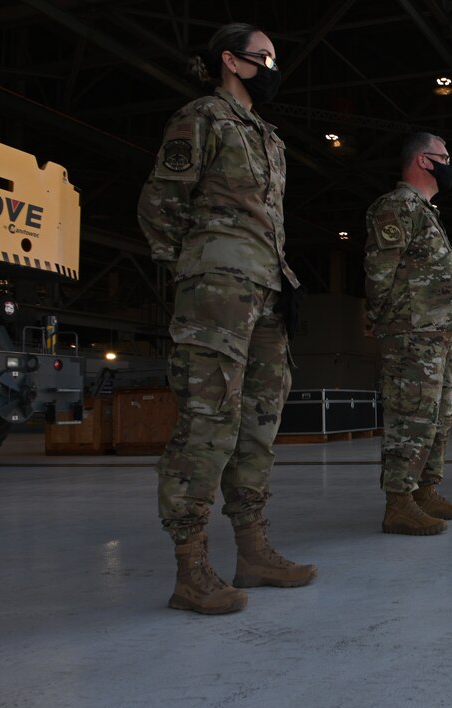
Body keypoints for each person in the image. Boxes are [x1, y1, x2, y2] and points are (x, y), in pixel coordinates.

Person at [137, 22, 316, 615]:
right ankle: (191, 568)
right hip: (218, 286)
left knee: (259, 423)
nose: (272, 66)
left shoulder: (267, 136)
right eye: (263, 57)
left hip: (266, 286)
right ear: (230, 61)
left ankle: (254, 551)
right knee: (208, 419)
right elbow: (160, 204)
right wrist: (196, 266)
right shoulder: (204, 117)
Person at [364, 132, 452, 535]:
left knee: (437, 417)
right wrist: (378, 315)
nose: (450, 165)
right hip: (411, 332)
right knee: (411, 416)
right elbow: (380, 271)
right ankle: (399, 502)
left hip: (438, 330)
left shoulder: (426, 211)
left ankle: (425, 491)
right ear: (424, 161)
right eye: (444, 157)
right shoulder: (396, 207)